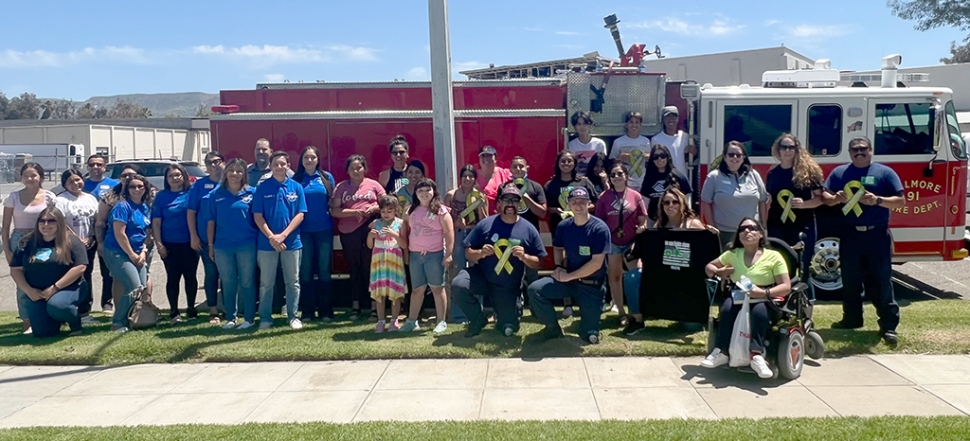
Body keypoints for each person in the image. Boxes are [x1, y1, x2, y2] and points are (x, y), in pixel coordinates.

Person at [822, 137, 904, 346]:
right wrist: (835, 199)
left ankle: (888, 325)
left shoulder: (885, 173)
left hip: (876, 235)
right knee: (850, 279)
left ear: (871, 150)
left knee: (881, 279)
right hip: (850, 234)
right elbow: (825, 195)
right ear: (849, 152)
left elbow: (900, 201)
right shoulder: (840, 173)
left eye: (863, 149)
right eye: (855, 150)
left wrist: (877, 200)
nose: (859, 153)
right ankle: (851, 319)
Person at [701, 218, 792, 378]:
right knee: (727, 309)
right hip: (739, 293)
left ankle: (756, 355)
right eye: (742, 229)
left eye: (752, 228)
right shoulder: (732, 254)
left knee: (759, 312)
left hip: (765, 295)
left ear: (760, 234)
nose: (747, 231)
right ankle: (721, 352)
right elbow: (708, 267)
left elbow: (786, 286)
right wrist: (718, 272)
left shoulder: (774, 256)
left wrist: (763, 293)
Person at [455, 184, 546, 337]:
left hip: (507, 286)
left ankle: (506, 313)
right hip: (483, 277)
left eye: (515, 200)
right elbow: (468, 252)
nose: (510, 204)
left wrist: (525, 257)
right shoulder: (486, 224)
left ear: (520, 204)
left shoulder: (528, 229)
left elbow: (540, 262)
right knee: (459, 285)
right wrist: (481, 253)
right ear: (499, 203)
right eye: (506, 199)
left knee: (508, 329)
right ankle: (477, 320)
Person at [623, 187, 711, 335]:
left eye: (675, 202)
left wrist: (710, 233)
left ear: (682, 203)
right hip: (664, 277)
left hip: (688, 281)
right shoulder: (659, 226)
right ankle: (637, 320)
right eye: (666, 202)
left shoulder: (693, 224)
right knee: (632, 277)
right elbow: (643, 253)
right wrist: (641, 237)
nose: (670, 205)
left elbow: (706, 253)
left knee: (691, 327)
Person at [528, 187, 610, 344]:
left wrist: (568, 276)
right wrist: (559, 266)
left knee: (589, 336)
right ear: (569, 205)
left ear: (589, 204)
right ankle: (552, 329)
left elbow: (596, 263)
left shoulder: (599, 228)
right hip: (569, 281)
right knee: (535, 290)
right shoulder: (564, 226)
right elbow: (558, 247)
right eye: (574, 202)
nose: (578, 205)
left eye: (582, 202)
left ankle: (588, 322)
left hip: (591, 285)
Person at [10, 207, 88, 338]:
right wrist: (28, 290)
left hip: (69, 288)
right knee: (42, 333)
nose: (46, 225)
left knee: (57, 305)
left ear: (60, 223)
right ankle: (55, 320)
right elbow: (15, 270)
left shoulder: (71, 241)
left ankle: (75, 323)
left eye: (51, 221)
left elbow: (80, 267)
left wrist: (54, 288)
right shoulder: (27, 242)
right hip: (38, 293)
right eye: (42, 221)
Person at [765, 133, 824, 300]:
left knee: (804, 268)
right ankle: (783, 308)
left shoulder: (808, 171)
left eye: (791, 147)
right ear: (778, 149)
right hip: (777, 225)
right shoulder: (772, 173)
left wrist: (805, 204)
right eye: (784, 147)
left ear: (797, 150)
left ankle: (806, 310)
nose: (787, 151)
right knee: (781, 268)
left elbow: (822, 199)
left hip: (802, 225)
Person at [253, 151, 307, 330]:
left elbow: (300, 214)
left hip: (291, 243)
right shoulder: (262, 187)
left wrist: (283, 235)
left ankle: (293, 316)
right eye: (275, 164)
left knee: (293, 282)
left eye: (282, 164)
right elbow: (258, 216)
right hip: (267, 244)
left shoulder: (296, 187)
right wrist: (272, 237)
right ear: (270, 166)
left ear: (288, 165)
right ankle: (266, 318)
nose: (279, 167)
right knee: (267, 283)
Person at [3, 162, 56, 333]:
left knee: (44, 276)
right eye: (26, 176)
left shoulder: (49, 196)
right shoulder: (13, 197)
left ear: (40, 176)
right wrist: (8, 251)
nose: (30, 179)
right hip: (19, 240)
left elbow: (56, 221)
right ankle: (27, 322)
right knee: (22, 281)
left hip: (43, 239)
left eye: (33, 175)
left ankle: (47, 317)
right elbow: (5, 227)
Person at [543, 150, 597, 318]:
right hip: (561, 229)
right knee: (564, 262)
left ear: (574, 164)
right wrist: (556, 210)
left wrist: (578, 210)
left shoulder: (584, 183)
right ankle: (567, 303)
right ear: (558, 164)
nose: (566, 164)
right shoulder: (550, 185)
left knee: (583, 262)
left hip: (583, 229)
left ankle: (584, 300)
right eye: (563, 161)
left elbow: (595, 204)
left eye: (569, 161)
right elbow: (545, 209)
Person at [331, 155, 385, 319]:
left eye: (359, 167)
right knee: (354, 268)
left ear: (365, 169)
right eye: (352, 168)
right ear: (347, 170)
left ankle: (375, 307)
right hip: (349, 232)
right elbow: (335, 210)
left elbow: (387, 204)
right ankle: (355, 306)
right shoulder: (341, 187)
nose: (356, 171)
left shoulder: (374, 185)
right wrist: (354, 212)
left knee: (371, 267)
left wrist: (374, 208)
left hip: (370, 229)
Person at [208, 158, 259, 330]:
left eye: (239, 171)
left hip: (247, 244)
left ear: (244, 174)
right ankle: (231, 318)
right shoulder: (216, 194)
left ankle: (249, 318)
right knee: (228, 283)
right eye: (231, 170)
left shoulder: (252, 193)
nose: (235, 174)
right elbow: (211, 222)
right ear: (225, 172)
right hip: (222, 246)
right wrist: (210, 245)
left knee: (247, 282)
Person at [399, 178, 455, 334]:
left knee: (437, 288)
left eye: (427, 190)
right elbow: (404, 229)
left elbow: (449, 233)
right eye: (420, 190)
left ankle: (441, 321)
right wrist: (405, 251)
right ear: (415, 193)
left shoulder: (441, 211)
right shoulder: (410, 210)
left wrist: (448, 254)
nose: (424, 193)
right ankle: (411, 321)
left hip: (435, 255)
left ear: (433, 191)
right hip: (416, 255)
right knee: (417, 290)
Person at [595, 164, 649, 321]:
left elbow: (642, 217)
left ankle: (637, 310)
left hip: (632, 242)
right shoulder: (604, 197)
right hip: (613, 242)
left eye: (619, 174)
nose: (616, 177)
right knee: (615, 277)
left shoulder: (635, 195)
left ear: (626, 176)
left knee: (635, 276)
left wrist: (642, 227)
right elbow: (599, 221)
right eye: (613, 175)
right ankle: (621, 312)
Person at [102, 173, 153, 332]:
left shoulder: (145, 207)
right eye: (132, 186)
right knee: (133, 286)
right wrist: (132, 254)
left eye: (140, 186)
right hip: (117, 251)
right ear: (127, 189)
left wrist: (143, 251)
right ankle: (117, 322)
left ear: (145, 189)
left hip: (138, 252)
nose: (136, 189)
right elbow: (120, 233)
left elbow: (146, 231)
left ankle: (134, 319)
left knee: (142, 287)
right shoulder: (122, 206)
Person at [293, 145, 337, 322]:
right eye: (306, 158)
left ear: (318, 159)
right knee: (305, 272)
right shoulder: (296, 179)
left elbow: (332, 200)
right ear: (301, 160)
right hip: (303, 232)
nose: (309, 160)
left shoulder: (326, 178)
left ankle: (326, 311)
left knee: (324, 271)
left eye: (312, 157)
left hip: (324, 230)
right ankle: (308, 312)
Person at [152, 164, 200, 324]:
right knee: (173, 278)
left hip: (190, 243)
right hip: (170, 244)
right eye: (171, 176)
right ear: (166, 179)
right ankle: (174, 311)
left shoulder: (191, 193)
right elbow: (156, 223)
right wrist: (159, 244)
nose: (175, 178)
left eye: (178, 175)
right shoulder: (161, 197)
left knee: (190, 277)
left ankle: (192, 309)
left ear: (184, 176)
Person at [701, 141, 769, 249]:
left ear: (744, 157)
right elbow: (705, 202)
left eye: (738, 155)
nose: (735, 157)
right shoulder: (714, 177)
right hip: (724, 233)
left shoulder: (754, 175)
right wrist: (712, 228)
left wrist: (763, 226)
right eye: (731, 154)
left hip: (750, 232)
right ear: (724, 157)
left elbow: (762, 201)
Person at [443, 164, 488, 323]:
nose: (467, 179)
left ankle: (477, 312)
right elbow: (444, 219)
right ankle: (457, 314)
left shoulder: (480, 196)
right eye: (464, 176)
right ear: (460, 178)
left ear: (475, 178)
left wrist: (481, 206)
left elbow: (484, 222)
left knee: (476, 274)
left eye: (471, 176)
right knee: (457, 274)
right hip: (458, 236)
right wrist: (455, 224)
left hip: (474, 236)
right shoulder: (451, 195)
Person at [187, 151, 226, 321]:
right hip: (204, 240)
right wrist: (194, 236)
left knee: (228, 276)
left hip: (228, 239)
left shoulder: (230, 183)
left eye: (217, 161)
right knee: (211, 274)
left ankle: (229, 308)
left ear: (224, 163)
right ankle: (213, 310)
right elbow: (191, 212)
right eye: (209, 162)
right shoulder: (199, 185)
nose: (213, 165)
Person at [55, 170, 99, 319]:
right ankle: (70, 310)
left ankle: (85, 310)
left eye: (78, 180)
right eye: (71, 182)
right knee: (71, 276)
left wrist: (92, 237)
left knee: (87, 275)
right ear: (65, 184)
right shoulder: (61, 200)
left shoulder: (91, 198)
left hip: (89, 244)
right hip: (69, 245)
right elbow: (60, 223)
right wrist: (75, 240)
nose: (75, 184)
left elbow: (96, 221)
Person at [82, 154, 119, 312]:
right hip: (87, 234)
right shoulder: (81, 184)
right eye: (92, 164)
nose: (95, 167)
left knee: (108, 270)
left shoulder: (114, 185)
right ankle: (85, 304)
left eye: (99, 164)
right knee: (85, 270)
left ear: (105, 167)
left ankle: (107, 303)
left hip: (108, 232)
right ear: (88, 166)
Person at [367, 195, 407, 333]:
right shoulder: (375, 223)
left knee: (395, 291)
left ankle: (394, 320)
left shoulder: (400, 224)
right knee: (380, 292)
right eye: (383, 211)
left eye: (389, 211)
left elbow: (404, 244)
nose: (386, 214)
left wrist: (394, 234)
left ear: (396, 210)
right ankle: (380, 320)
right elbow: (369, 245)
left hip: (394, 259)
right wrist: (370, 236)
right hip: (379, 260)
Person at [640, 144, 692, 223]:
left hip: (675, 221)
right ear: (652, 160)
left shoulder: (678, 176)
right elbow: (645, 202)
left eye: (662, 155)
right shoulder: (648, 178)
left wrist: (687, 218)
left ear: (668, 157)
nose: (659, 159)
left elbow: (687, 199)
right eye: (655, 157)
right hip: (654, 221)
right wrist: (644, 222)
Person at [648, 106, 697, 177]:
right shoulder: (656, 139)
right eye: (668, 117)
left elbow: (692, 156)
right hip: (663, 178)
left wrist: (693, 151)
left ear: (677, 119)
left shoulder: (685, 136)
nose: (671, 120)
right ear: (663, 119)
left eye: (673, 117)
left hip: (681, 178)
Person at [610, 111, 651, 191]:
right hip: (625, 182)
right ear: (626, 124)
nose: (634, 125)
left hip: (641, 181)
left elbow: (651, 160)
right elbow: (611, 163)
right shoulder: (618, 142)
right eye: (631, 122)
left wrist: (649, 157)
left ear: (640, 125)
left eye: (637, 122)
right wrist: (619, 158)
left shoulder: (645, 141)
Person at [567, 111, 607, 178]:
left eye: (585, 123)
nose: (582, 127)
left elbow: (604, 165)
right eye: (579, 124)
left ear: (590, 125)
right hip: (578, 181)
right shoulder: (571, 145)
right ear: (575, 127)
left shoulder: (600, 144)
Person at [476, 145, 513, 214]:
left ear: (495, 158)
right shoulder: (473, 176)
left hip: (503, 215)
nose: (486, 158)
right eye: (483, 156)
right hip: (480, 216)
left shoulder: (506, 174)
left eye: (489, 155)